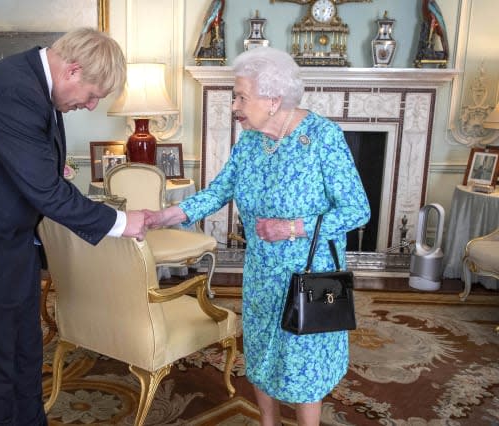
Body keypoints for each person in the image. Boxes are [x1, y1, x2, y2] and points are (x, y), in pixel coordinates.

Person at [0, 28, 146, 426]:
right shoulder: (13, 92)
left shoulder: (34, 82)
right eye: (92, 95)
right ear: (72, 70)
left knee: (24, 352)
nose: (90, 106)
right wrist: (121, 222)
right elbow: (45, 189)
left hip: (9, 239)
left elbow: (39, 175)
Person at [144, 47, 370, 426]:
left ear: (274, 99)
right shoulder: (251, 141)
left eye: (242, 97)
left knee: (302, 364)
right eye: (236, 96)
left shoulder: (322, 137)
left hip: (309, 275)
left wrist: (291, 228)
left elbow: (357, 210)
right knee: (263, 353)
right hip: (263, 273)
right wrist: (166, 214)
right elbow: (219, 191)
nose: (235, 105)